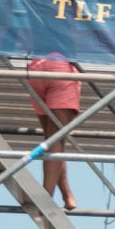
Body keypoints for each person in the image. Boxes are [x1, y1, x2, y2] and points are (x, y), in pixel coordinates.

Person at [24, 53, 83, 213]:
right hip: (61, 67)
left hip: (35, 68)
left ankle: (67, 195)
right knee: (55, 141)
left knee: (51, 140)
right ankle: (46, 198)